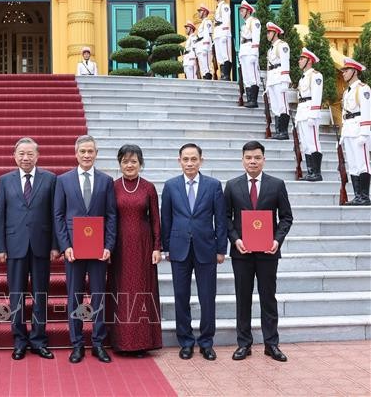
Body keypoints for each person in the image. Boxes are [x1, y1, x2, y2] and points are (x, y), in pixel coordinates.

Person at [224, 140, 293, 362]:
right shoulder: (232, 185)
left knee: (268, 298)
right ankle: (244, 344)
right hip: (241, 253)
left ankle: (271, 344)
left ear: (263, 159)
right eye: (248, 157)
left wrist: (277, 240)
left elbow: (286, 217)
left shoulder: (277, 184)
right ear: (242, 160)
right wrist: (235, 240)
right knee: (242, 298)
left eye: (257, 157)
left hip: (268, 252)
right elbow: (225, 217)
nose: (252, 161)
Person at [54, 135, 117, 364]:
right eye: (83, 152)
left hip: (99, 250)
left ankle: (98, 343)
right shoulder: (63, 180)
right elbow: (59, 215)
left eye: (91, 152)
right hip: (74, 250)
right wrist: (65, 246)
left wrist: (109, 245)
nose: (87, 156)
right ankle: (77, 343)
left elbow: (111, 216)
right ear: (76, 154)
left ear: (96, 154)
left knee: (98, 296)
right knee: (75, 297)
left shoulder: (106, 181)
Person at [0, 137, 59, 361]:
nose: (25, 158)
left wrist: (55, 245)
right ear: (14, 156)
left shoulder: (51, 179)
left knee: (40, 294)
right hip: (14, 246)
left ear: (37, 156)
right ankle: (19, 340)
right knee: (16, 296)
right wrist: (0, 247)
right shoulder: (5, 181)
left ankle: (39, 340)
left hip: (42, 246)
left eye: (30, 154)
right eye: (21, 154)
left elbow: (55, 214)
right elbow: (0, 215)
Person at [160, 143, 227, 361]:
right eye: (185, 159)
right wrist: (166, 247)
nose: (190, 163)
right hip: (179, 250)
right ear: (179, 160)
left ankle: (206, 342)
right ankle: (186, 342)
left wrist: (221, 249)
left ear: (201, 160)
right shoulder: (170, 186)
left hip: (206, 249)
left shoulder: (213, 185)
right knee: (181, 297)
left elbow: (221, 220)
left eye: (193, 159)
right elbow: (166, 219)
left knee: (207, 297)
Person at [107, 144, 162, 357]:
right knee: (121, 290)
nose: (129, 165)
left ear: (140, 163)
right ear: (119, 163)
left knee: (141, 291)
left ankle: (141, 342)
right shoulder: (112, 187)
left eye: (133, 161)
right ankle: (120, 341)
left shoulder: (148, 188)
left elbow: (156, 220)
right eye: (125, 161)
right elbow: (108, 218)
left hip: (142, 245)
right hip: (119, 245)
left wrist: (157, 247)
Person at [339, 58, 371, 205]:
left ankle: (364, 196)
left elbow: (366, 111)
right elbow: (345, 114)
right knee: (353, 164)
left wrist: (365, 133)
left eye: (346, 70)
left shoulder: (363, 89)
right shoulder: (347, 92)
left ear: (355, 72)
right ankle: (357, 195)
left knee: (362, 164)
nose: (344, 73)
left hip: (359, 130)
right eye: (343, 71)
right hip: (349, 130)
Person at [295, 48, 323, 181]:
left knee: (313, 143)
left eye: (302, 59)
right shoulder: (303, 78)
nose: (299, 61)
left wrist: (313, 114)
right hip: (302, 112)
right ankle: (310, 171)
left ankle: (317, 172)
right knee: (305, 144)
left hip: (310, 112)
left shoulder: (315, 75)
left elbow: (316, 96)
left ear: (309, 61)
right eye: (299, 58)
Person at [265, 22, 291, 140]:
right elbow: (268, 66)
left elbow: (285, 62)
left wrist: (285, 79)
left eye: (269, 32)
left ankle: (284, 132)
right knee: (275, 106)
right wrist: (267, 83)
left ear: (275, 33)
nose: (267, 35)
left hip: (280, 77)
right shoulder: (270, 49)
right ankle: (278, 131)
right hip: (272, 78)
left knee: (282, 105)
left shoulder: (282, 45)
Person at [238, 0, 261, 108]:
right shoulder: (245, 24)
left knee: (253, 76)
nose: (241, 12)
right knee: (246, 77)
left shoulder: (254, 22)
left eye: (242, 10)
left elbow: (256, 39)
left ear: (248, 11)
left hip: (251, 51)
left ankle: (254, 100)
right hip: (244, 52)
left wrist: (254, 54)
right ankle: (249, 99)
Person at [212, 0, 232, 80]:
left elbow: (226, 20)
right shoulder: (218, 7)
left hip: (223, 33)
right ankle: (223, 74)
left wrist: (225, 33)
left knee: (225, 55)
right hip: (217, 33)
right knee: (219, 56)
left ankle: (227, 75)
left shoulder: (224, 6)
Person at [195, 4, 213, 80]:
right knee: (203, 67)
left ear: (205, 12)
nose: (199, 13)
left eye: (200, 11)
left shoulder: (207, 22)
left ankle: (208, 81)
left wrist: (206, 47)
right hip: (200, 47)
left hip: (205, 47)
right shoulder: (202, 23)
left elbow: (207, 35)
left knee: (207, 67)